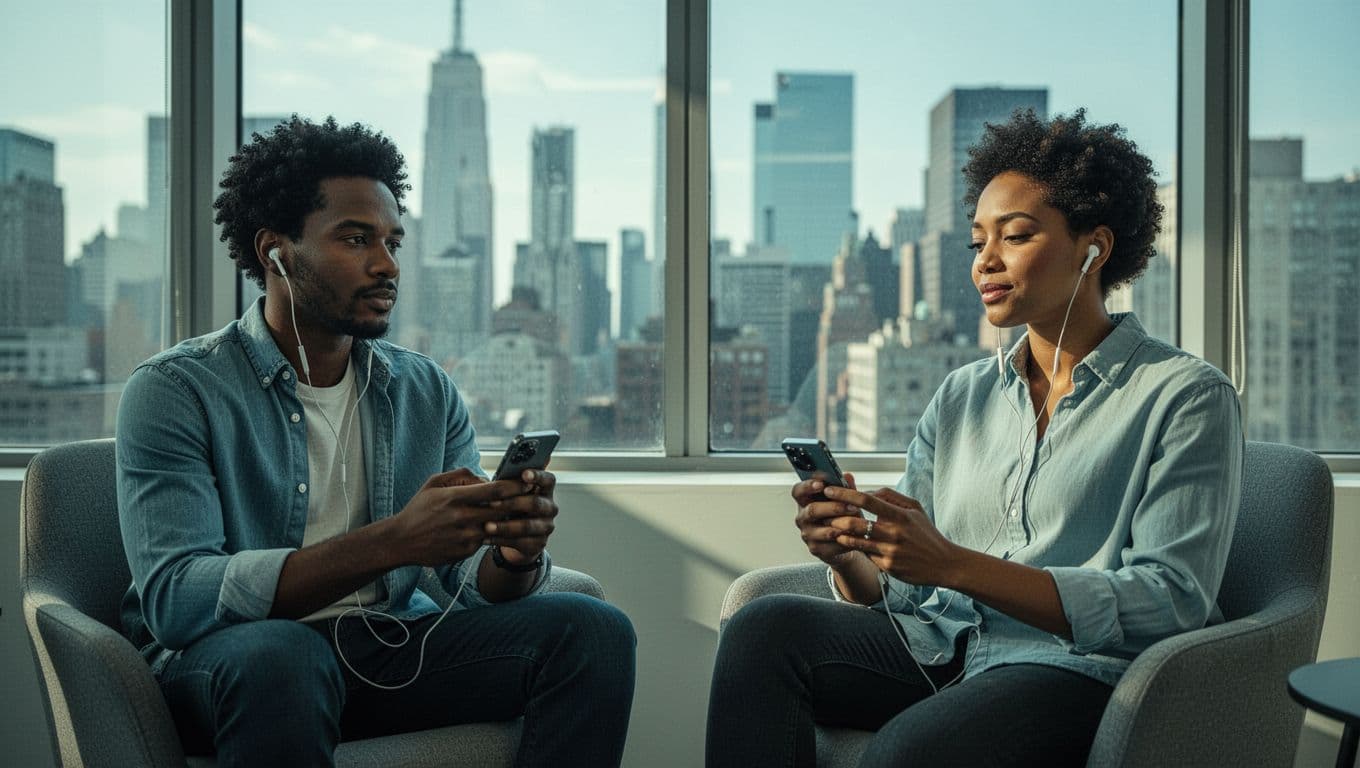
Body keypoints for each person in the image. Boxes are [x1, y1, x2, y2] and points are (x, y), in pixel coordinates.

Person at [706, 109, 1243, 768]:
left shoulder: (1186, 396)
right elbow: (905, 589)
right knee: (763, 630)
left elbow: (1173, 601)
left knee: (909, 750)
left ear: (1094, 248)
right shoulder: (961, 396)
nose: (985, 261)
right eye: (977, 241)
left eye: (1014, 236)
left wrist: (956, 565)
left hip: (1078, 672)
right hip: (945, 650)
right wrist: (851, 557)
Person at [115, 115, 635, 767]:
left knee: (593, 631)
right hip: (231, 663)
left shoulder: (425, 391)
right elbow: (177, 600)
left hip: (385, 650)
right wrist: (395, 541)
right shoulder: (177, 391)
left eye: (392, 241)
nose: (387, 264)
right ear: (276, 250)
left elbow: (466, 583)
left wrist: (512, 556)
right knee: (284, 655)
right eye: (357, 239)